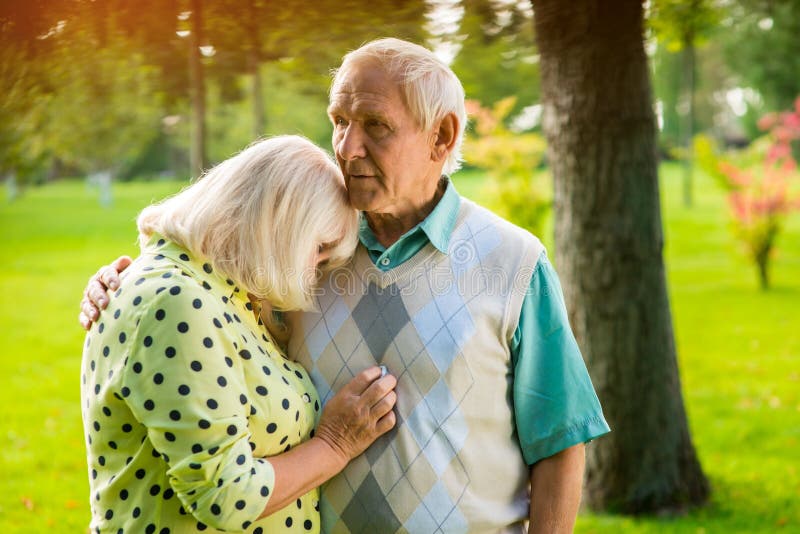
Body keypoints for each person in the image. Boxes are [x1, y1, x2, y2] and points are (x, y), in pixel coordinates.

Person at [82, 39, 610, 533]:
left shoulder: (514, 262)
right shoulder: (300, 253)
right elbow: (202, 308)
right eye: (339, 121)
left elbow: (560, 441)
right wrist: (128, 280)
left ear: (441, 136)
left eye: (376, 125)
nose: (347, 147)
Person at [80, 135, 398, 534]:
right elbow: (225, 495)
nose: (318, 270)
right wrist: (335, 445)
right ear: (276, 225)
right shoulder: (177, 301)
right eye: (318, 248)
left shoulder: (230, 295)